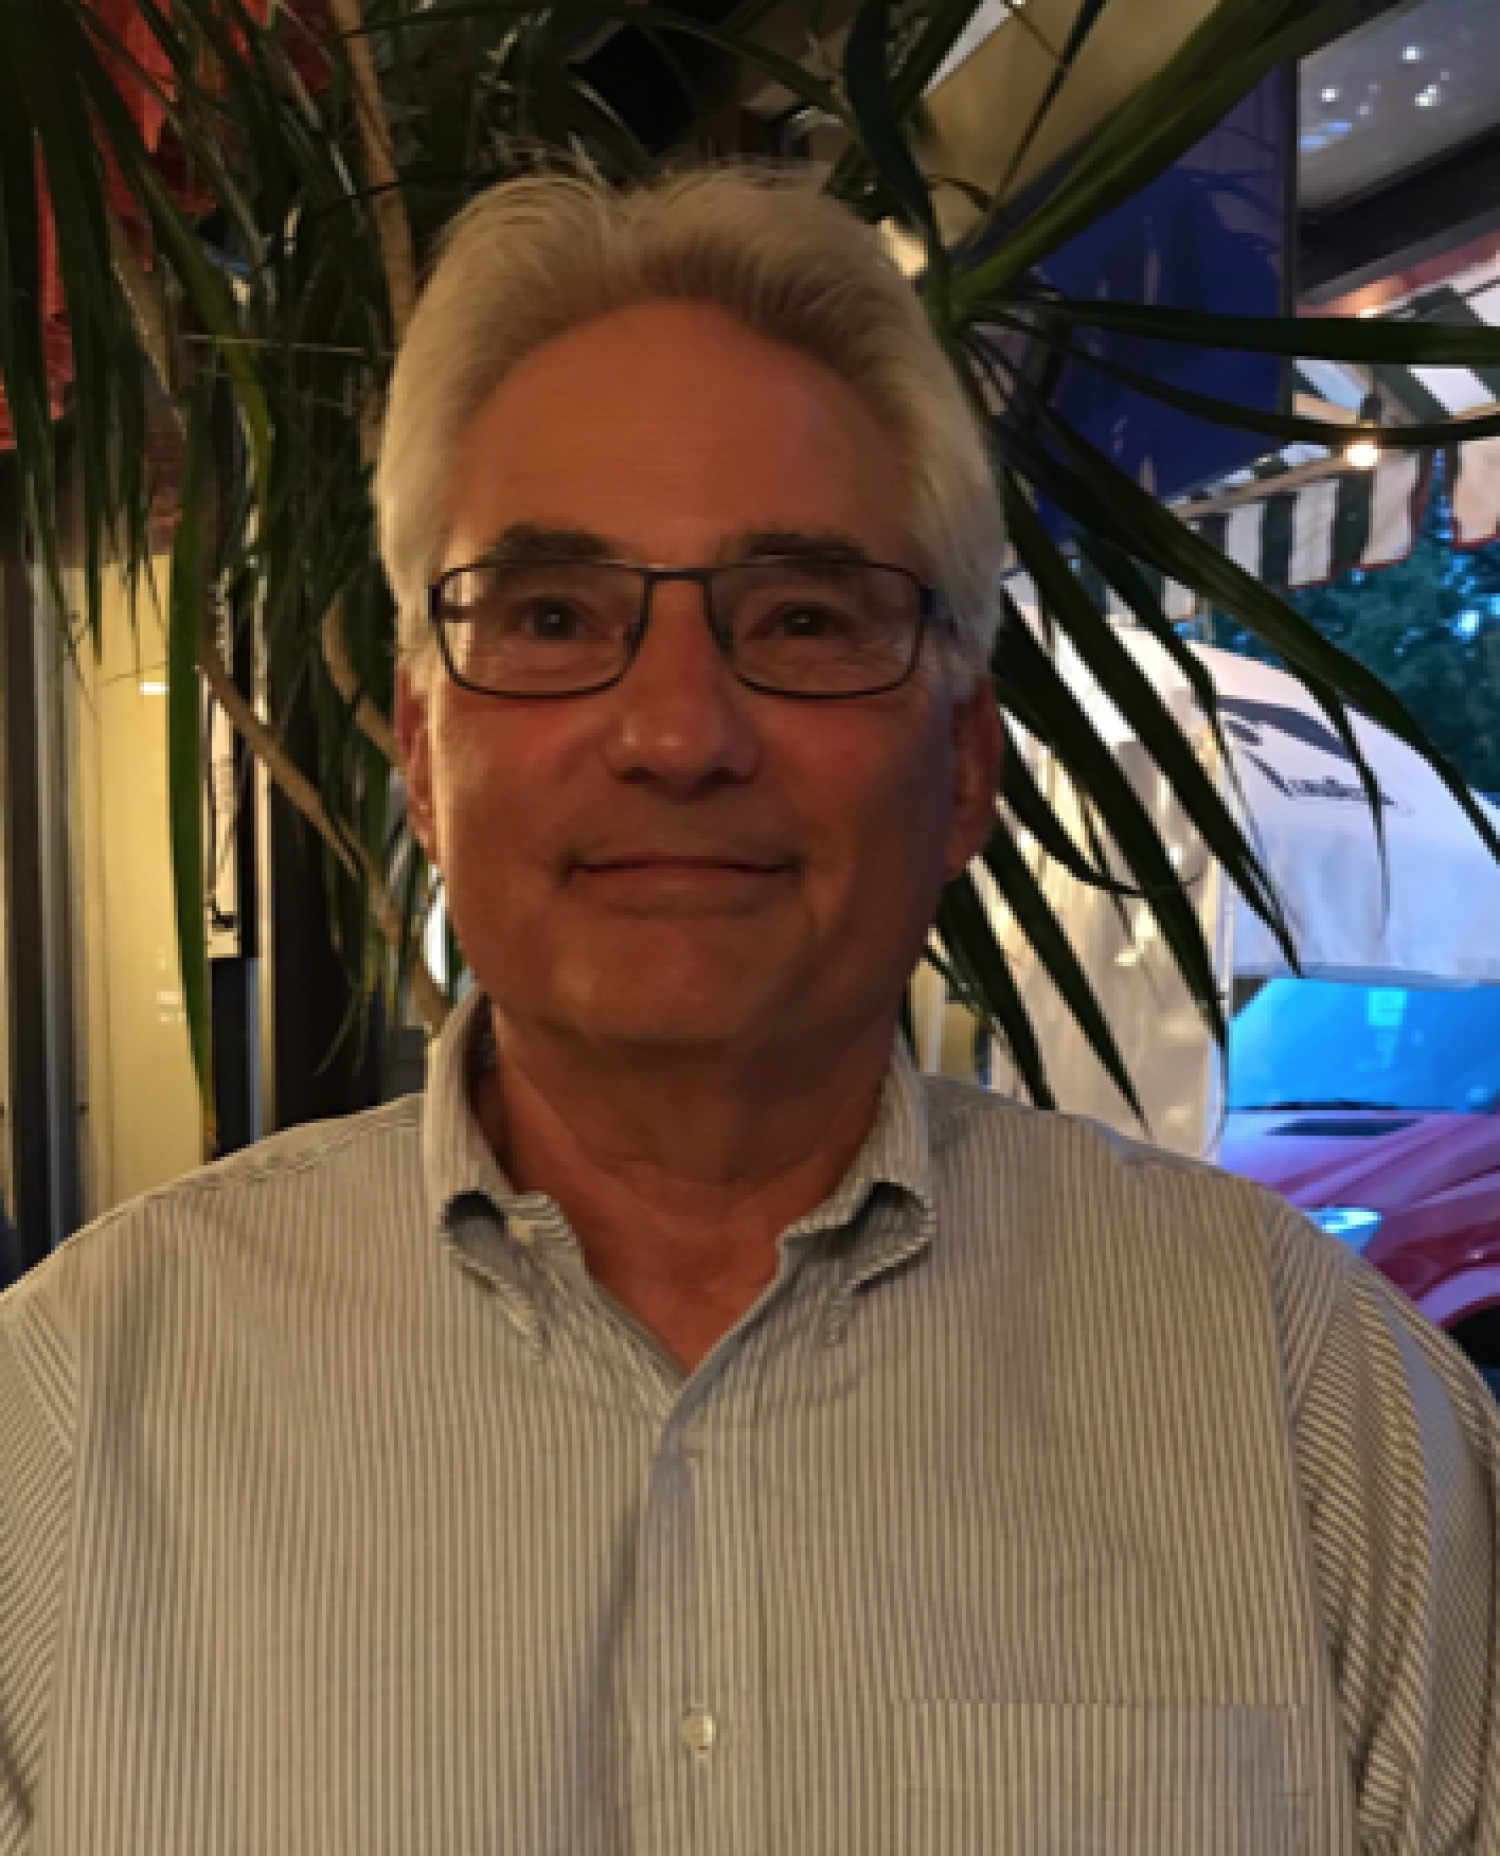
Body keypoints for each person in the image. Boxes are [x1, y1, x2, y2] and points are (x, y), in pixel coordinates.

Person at [1, 168, 1496, 1856]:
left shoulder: (1312, 1407)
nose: (678, 733)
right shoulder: (67, 1422)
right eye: (554, 617)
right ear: (423, 756)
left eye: (800, 618)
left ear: (966, 772)